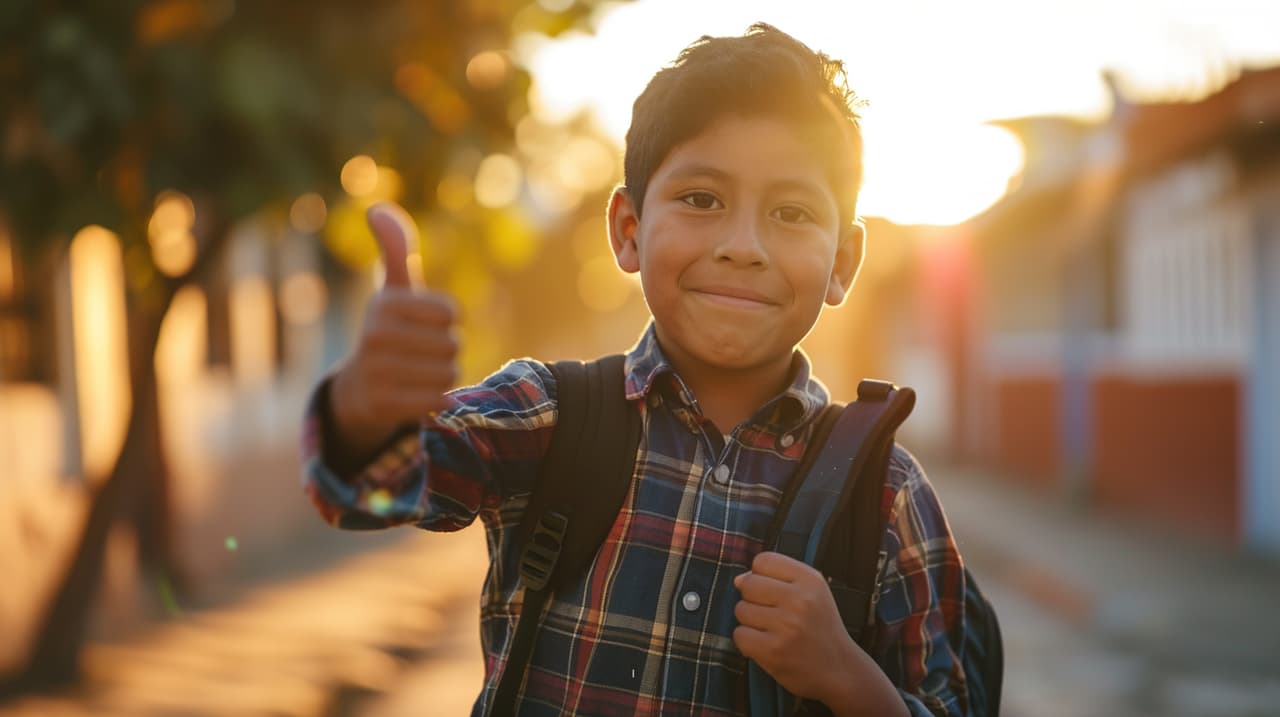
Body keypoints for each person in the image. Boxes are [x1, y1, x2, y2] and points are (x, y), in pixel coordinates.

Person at [301, 23, 968, 717]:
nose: (743, 246)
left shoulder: (885, 493)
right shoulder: (550, 411)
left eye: (791, 212)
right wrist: (363, 410)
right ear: (627, 229)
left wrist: (844, 673)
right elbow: (365, 491)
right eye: (702, 199)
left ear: (843, 263)